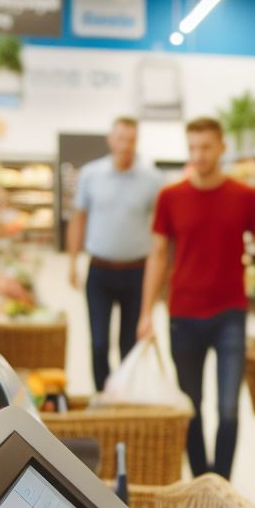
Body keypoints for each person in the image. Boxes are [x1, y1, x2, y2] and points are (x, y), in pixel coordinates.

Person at [136, 117, 255, 480]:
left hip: (230, 314)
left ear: (222, 147)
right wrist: (144, 314)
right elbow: (157, 255)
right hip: (183, 314)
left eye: (206, 147)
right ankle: (203, 481)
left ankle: (223, 485)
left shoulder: (245, 197)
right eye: (193, 148)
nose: (199, 155)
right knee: (192, 407)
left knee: (229, 408)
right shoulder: (170, 198)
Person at [67, 116, 164, 392]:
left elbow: (161, 231)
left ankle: (125, 395)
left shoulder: (152, 180)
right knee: (98, 342)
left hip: (137, 272)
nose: (125, 145)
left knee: (129, 343)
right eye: (121, 138)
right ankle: (102, 393)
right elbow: (79, 218)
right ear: (110, 140)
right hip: (99, 271)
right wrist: (73, 262)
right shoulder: (90, 174)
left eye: (131, 139)